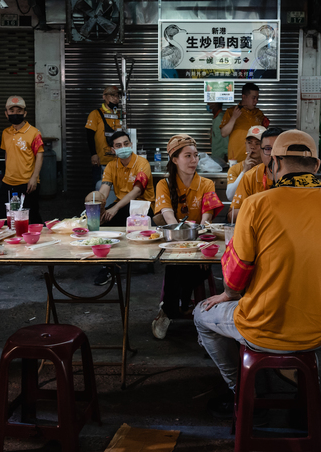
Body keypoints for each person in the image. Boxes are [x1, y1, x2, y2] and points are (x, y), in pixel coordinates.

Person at [193, 130, 321, 416]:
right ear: (317, 166)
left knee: (201, 313)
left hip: (263, 327)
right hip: (319, 330)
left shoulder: (256, 205)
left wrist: (228, 295)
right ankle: (306, 389)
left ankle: (242, 394)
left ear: (275, 165)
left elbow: (235, 278)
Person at [151, 134, 223, 339]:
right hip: (175, 242)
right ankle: (177, 307)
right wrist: (181, 237)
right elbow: (167, 215)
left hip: (199, 243)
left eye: (196, 156)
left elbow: (206, 220)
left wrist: (196, 246)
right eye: (188, 156)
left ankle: (168, 310)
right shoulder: (164, 184)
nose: (194, 160)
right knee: (177, 262)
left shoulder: (206, 184)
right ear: (174, 159)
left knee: (185, 266)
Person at [92, 130, 154, 286]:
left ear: (131, 144)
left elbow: (137, 190)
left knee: (115, 216)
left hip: (143, 206)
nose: (123, 147)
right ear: (113, 150)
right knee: (102, 221)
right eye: (118, 145)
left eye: (126, 144)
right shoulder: (112, 166)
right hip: (123, 204)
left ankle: (113, 265)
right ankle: (110, 263)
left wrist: (114, 208)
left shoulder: (142, 163)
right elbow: (104, 188)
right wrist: (99, 207)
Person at [0, 96, 44, 224]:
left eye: (19, 111)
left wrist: (34, 178)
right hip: (8, 182)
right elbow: (7, 154)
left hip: (27, 183)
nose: (15, 114)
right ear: (6, 114)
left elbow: (40, 155)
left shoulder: (34, 133)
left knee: (30, 218)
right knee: (6, 218)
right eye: (11, 111)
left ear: (25, 113)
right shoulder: (5, 133)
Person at [229, 127, 283, 218]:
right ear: (261, 151)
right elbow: (231, 215)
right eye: (268, 149)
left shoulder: (295, 177)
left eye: (277, 148)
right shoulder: (250, 176)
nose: (273, 154)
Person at [220, 83, 270, 163]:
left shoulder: (259, 114)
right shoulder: (231, 111)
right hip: (236, 160)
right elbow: (224, 133)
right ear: (244, 97)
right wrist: (234, 118)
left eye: (257, 98)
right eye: (253, 98)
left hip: (255, 160)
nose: (256, 101)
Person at [86, 85, 122, 189]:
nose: (115, 98)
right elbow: (89, 136)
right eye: (112, 95)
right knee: (99, 188)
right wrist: (93, 154)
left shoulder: (120, 115)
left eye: (117, 96)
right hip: (101, 161)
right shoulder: (95, 114)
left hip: (117, 161)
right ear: (104, 97)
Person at [225, 126, 264, 201]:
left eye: (257, 143)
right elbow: (230, 196)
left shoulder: (270, 167)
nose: (252, 147)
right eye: (249, 143)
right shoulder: (235, 169)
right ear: (245, 144)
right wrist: (244, 171)